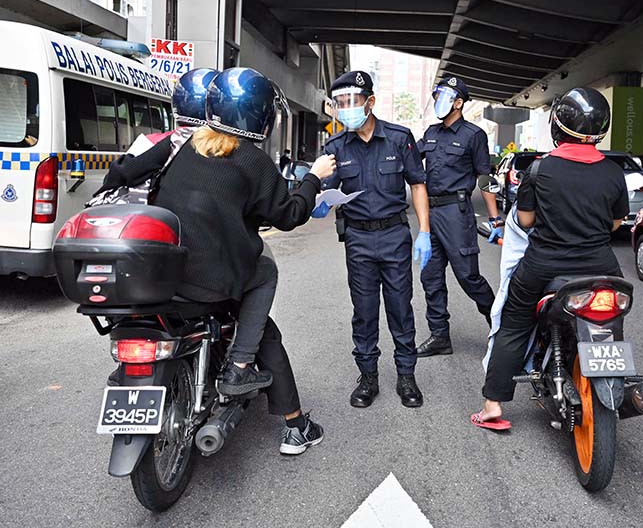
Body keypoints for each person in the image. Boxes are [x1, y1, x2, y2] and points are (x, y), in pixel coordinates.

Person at [98, 67, 337, 455]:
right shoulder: (253, 161)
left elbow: (123, 172)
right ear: (262, 116)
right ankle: (241, 367)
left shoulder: (181, 144)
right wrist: (313, 177)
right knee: (265, 274)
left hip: (160, 274)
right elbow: (289, 216)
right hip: (209, 282)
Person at [474, 87, 628, 429]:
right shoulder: (614, 172)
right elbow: (616, 223)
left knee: (513, 325)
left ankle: (493, 405)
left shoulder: (541, 170)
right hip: (602, 266)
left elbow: (525, 221)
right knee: (612, 321)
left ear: (558, 124)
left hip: (545, 265)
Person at [315, 70, 431, 409]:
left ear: (370, 102)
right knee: (364, 312)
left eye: (351, 101)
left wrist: (424, 230)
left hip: (395, 236)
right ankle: (368, 378)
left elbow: (418, 184)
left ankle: (406, 375)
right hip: (358, 239)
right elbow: (323, 189)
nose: (345, 108)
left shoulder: (399, 138)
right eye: (339, 103)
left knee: (400, 308)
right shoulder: (334, 146)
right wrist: (319, 202)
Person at [415, 76, 500, 358]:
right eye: (437, 96)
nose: (438, 102)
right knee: (431, 277)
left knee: (468, 277)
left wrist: (495, 218)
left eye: (445, 97)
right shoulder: (430, 133)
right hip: (431, 212)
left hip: (456, 213)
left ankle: (500, 330)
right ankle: (440, 336)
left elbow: (484, 176)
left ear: (459, 103)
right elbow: (409, 163)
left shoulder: (473, 135)